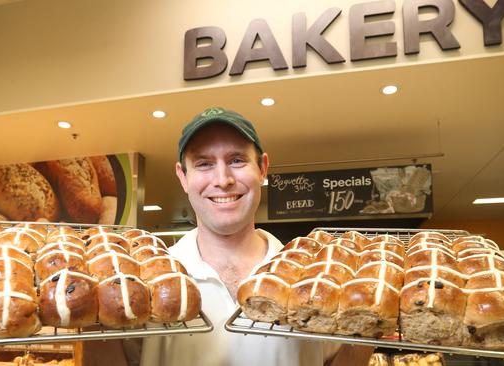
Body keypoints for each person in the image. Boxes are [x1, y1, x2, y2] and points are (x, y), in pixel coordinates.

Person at [135, 107, 373, 366]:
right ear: (183, 177)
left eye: (237, 160)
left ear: (262, 168)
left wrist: (366, 330)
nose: (223, 180)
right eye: (204, 163)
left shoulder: (313, 279)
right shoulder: (148, 280)